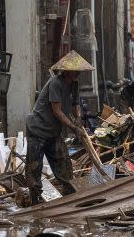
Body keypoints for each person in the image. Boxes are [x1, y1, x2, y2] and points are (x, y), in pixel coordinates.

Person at [25, 50, 94, 204]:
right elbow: (57, 111)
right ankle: (34, 201)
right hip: (38, 129)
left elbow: (76, 104)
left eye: (78, 71)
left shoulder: (74, 84)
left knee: (64, 166)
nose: (77, 74)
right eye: (74, 71)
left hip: (54, 132)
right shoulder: (56, 83)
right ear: (67, 70)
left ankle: (71, 199)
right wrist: (73, 128)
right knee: (34, 167)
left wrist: (78, 120)